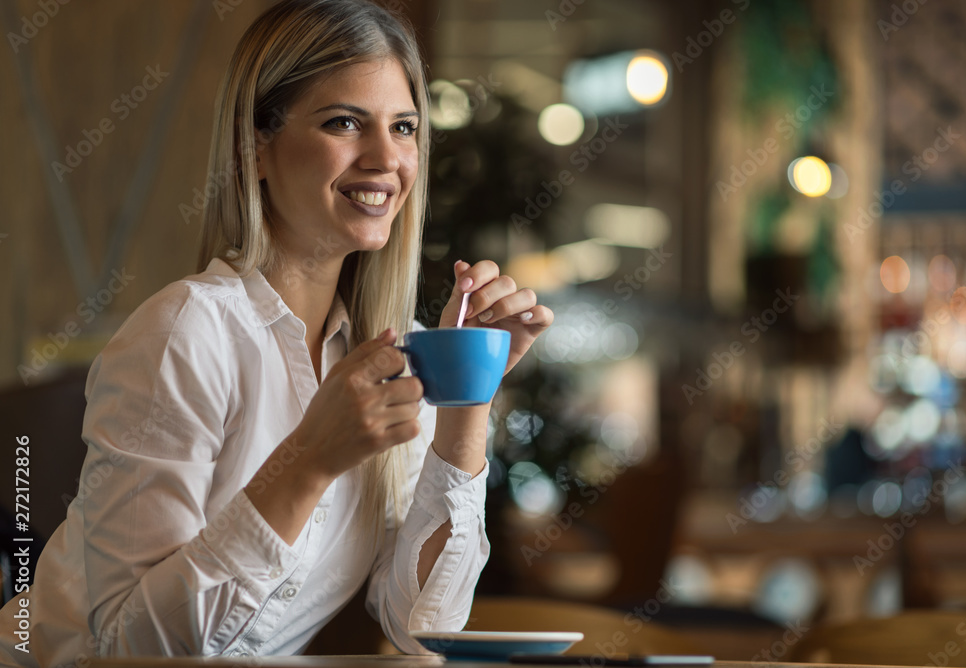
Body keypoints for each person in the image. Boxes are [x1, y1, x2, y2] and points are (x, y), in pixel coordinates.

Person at [0, 0, 552, 663]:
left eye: (403, 127)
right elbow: (130, 648)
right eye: (344, 122)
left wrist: (470, 397)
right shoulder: (187, 331)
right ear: (256, 146)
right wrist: (310, 460)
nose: (386, 157)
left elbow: (422, 625)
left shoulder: (394, 352)